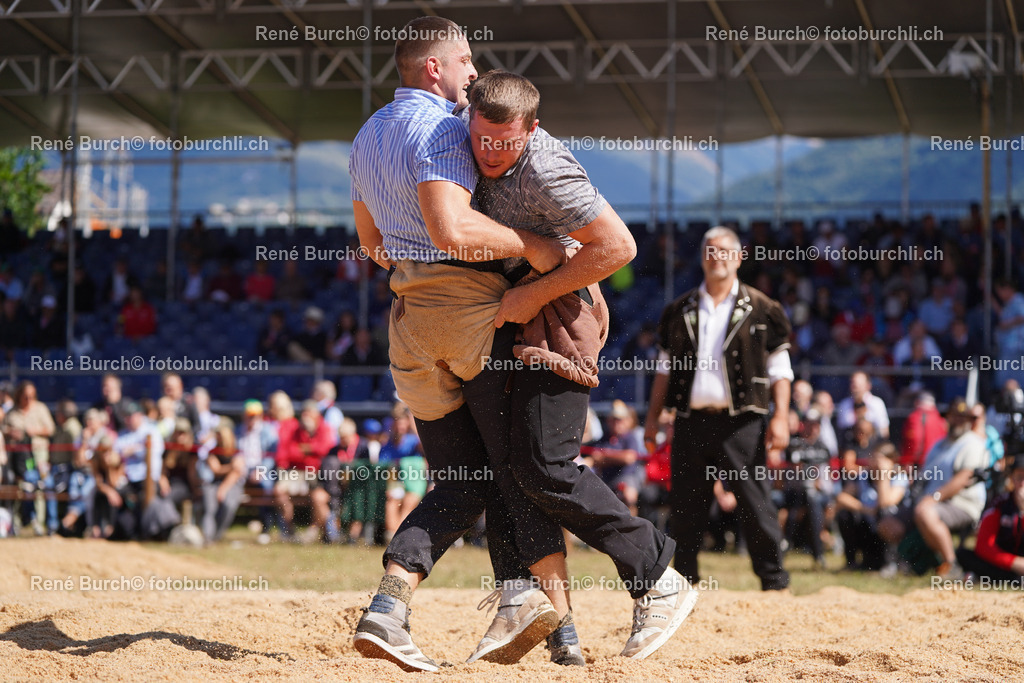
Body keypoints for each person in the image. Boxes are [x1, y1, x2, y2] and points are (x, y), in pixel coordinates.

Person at [350, 25, 689, 671]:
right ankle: (553, 617)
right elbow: (451, 227)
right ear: (433, 69)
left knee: (492, 474)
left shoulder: (370, 133)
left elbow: (374, 246)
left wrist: (517, 286)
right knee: (508, 472)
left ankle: (400, 606)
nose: (472, 71)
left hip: (415, 320)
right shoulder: (450, 129)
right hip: (475, 313)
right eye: (464, 61)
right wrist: (533, 248)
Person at [645, 225, 793, 592]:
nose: (717, 257)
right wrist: (652, 419)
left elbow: (781, 370)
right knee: (685, 508)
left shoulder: (763, 308)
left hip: (742, 421)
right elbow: (663, 370)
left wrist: (783, 418)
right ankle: (685, 583)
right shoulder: (679, 309)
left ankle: (775, 583)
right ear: (702, 257)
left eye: (725, 251)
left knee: (755, 503)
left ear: (739, 257)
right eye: (710, 251)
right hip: (691, 420)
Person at [835, 442, 908, 571]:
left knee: (885, 512)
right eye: (872, 458)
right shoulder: (864, 476)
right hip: (868, 529)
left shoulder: (899, 477)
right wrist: (866, 509)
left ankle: (890, 564)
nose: (874, 463)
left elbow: (886, 502)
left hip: (891, 531)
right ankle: (851, 562)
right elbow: (841, 497)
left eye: (878, 459)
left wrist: (883, 476)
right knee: (845, 515)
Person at [957, 455, 1024, 581]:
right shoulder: (1000, 504)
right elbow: (983, 546)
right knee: (964, 555)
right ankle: (1015, 579)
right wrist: (1014, 563)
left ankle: (986, 578)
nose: (1022, 484)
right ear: (1012, 479)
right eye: (1019, 478)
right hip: (1005, 561)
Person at [199, 423, 246, 543]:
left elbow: (237, 472)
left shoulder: (237, 450)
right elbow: (216, 470)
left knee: (229, 505)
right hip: (214, 483)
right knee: (210, 507)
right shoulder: (213, 451)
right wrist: (231, 467)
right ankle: (208, 537)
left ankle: (217, 535)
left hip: (233, 484)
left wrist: (223, 488)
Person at [835, 371, 890, 439]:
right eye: (853, 385)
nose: (855, 389)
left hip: (872, 445)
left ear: (868, 386)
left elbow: (884, 432)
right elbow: (841, 432)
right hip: (850, 445)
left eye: (859, 385)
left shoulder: (877, 403)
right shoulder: (844, 404)